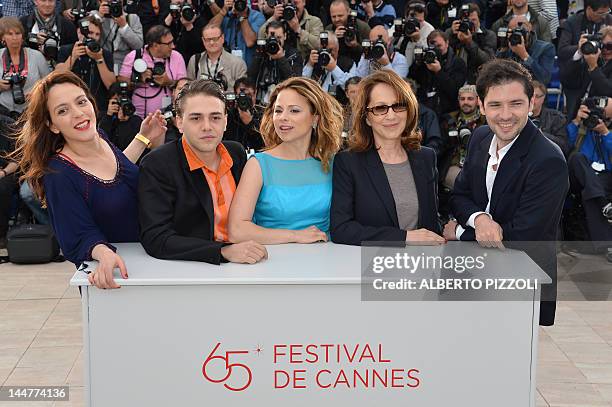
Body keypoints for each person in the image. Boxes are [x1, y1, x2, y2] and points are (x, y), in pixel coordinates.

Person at [11, 71, 167, 289]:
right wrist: (103, 254)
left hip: (151, 257)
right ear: (52, 124)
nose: (78, 113)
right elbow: (77, 232)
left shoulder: (99, 136)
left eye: (81, 102)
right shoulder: (59, 174)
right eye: (63, 110)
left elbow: (118, 170)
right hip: (119, 273)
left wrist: (143, 138)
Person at [445, 59, 569, 326]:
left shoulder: (548, 159)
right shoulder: (479, 137)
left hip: (521, 282)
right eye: (495, 105)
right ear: (481, 106)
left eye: (515, 104)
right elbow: (460, 196)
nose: (505, 115)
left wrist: (459, 232)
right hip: (474, 273)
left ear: (531, 103)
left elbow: (525, 235)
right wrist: (480, 219)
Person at [138, 79, 268, 264]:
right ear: (180, 122)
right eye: (196, 118)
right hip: (193, 270)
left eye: (215, 117)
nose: (207, 126)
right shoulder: (157, 164)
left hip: (249, 259)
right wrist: (222, 252)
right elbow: (156, 238)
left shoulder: (236, 152)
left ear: (225, 122)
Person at [330, 69, 443, 246]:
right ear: (366, 117)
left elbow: (431, 223)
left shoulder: (426, 157)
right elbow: (341, 229)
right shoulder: (348, 163)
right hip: (371, 266)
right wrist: (405, 237)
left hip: (422, 264)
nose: (391, 115)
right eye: (380, 108)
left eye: (398, 105)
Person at [227, 76, 343, 244]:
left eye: (294, 110)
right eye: (278, 110)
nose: (282, 117)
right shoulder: (258, 164)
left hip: (326, 260)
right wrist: (295, 236)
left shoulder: (332, 163)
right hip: (273, 262)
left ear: (315, 118)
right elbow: (237, 230)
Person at [566, 96, 612, 262]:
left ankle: (606, 245)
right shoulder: (581, 129)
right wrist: (577, 121)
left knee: (590, 193)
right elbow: (566, 145)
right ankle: (604, 203)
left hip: (604, 178)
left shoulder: (607, 131)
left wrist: (605, 133)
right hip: (580, 174)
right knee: (577, 157)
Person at [557, 0, 612, 118]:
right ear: (589, 9)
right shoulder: (572, 22)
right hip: (577, 81)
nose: (604, 16)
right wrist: (580, 49)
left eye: (610, 46)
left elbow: (607, 90)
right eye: (600, 13)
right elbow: (562, 51)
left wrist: (593, 67)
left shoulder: (609, 20)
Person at [118, 25, 187, 118]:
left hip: (168, 118)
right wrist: (138, 79)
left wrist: (169, 82)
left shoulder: (177, 57)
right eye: (169, 43)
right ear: (155, 45)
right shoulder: (134, 56)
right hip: (138, 118)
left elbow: (185, 88)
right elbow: (121, 85)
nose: (173, 46)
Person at [55, 15, 116, 113]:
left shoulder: (105, 54)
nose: (94, 37)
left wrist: (99, 59)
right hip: (71, 105)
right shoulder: (66, 50)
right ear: (79, 32)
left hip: (98, 107)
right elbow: (56, 76)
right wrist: (73, 56)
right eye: (90, 33)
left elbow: (111, 85)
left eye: (97, 34)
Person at [408, 30, 467, 117]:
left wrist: (438, 72)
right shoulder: (425, 61)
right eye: (432, 46)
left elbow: (455, 91)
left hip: (448, 111)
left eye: (439, 46)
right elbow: (411, 79)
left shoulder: (457, 62)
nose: (436, 49)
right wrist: (418, 63)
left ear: (447, 43)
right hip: (426, 109)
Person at [0, 17, 51, 116]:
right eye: (10, 34)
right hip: (3, 110)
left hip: (31, 109)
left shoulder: (36, 55)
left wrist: (38, 92)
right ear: (2, 37)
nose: (15, 37)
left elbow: (49, 82)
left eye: (18, 33)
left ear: (22, 36)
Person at [439, 84, 487, 190]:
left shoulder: (486, 120)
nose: (465, 102)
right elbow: (441, 147)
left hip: (480, 165)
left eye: (470, 99)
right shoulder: (448, 120)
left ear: (478, 100)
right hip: (454, 164)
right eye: (462, 99)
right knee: (460, 184)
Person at [248, 21, 303, 104]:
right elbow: (251, 76)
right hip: (262, 100)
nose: (275, 42)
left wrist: (281, 58)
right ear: (266, 36)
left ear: (285, 36)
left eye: (278, 38)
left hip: (285, 100)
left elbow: (295, 81)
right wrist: (259, 55)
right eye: (272, 38)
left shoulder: (294, 54)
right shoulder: (262, 52)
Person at [495, 16, 555, 85]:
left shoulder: (546, 48)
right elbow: (496, 74)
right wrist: (503, 48)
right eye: (514, 31)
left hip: (534, 91)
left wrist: (524, 55)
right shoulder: (508, 48)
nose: (518, 35)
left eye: (521, 30)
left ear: (530, 28)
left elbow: (544, 79)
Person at [186, 23, 247, 90]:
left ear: (222, 38)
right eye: (208, 39)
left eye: (215, 39)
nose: (211, 43)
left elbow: (242, 92)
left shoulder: (237, 63)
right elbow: (189, 90)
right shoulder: (194, 61)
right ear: (203, 40)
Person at [258, 0, 324, 62]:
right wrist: (274, 18)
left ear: (304, 2)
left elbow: (320, 45)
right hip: (281, 65)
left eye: (295, 3)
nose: (292, 9)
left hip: (306, 66)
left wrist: (299, 30)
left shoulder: (314, 21)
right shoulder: (279, 21)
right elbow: (261, 38)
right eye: (288, 5)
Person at [446, 3, 495, 85]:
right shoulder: (454, 33)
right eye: (466, 20)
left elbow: (488, 60)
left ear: (479, 19)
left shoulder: (488, 35)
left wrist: (469, 43)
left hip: (477, 80)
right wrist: (450, 33)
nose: (469, 23)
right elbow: (444, 52)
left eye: (473, 20)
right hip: (455, 80)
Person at [210, 0, 266, 66]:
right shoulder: (228, 16)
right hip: (227, 66)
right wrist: (222, 12)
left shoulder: (257, 16)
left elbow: (249, 42)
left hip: (248, 66)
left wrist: (243, 16)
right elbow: (209, 31)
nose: (239, 4)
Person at [95, 0, 144, 73]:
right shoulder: (96, 15)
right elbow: (87, 39)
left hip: (124, 64)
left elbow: (138, 45)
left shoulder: (132, 18)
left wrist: (124, 26)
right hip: (102, 61)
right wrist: (99, 18)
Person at [223, 76, 265, 152]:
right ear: (235, 96)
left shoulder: (263, 113)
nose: (244, 99)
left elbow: (266, 142)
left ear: (255, 94)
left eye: (248, 95)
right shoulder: (229, 115)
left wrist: (250, 123)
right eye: (241, 95)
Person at [326, 0, 370, 68]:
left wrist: (356, 45)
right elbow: (324, 54)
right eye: (333, 17)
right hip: (336, 68)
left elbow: (369, 56)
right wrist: (333, 39)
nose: (337, 19)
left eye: (340, 16)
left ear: (349, 12)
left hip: (359, 67)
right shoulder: (328, 30)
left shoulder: (363, 27)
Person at [531, 81, 569, 155]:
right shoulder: (517, 117)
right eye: (530, 96)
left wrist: (541, 134)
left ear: (543, 97)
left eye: (537, 96)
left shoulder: (556, 118)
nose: (533, 100)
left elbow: (564, 147)